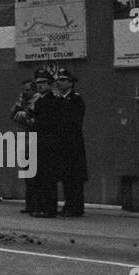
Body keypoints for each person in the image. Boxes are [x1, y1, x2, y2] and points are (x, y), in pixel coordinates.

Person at [25, 67, 62, 217]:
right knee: (40, 177)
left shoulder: (52, 101)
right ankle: (41, 207)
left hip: (48, 143)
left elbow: (48, 122)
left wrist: (34, 121)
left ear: (49, 84)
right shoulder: (40, 100)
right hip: (40, 142)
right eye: (38, 82)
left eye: (43, 82)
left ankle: (48, 208)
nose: (40, 85)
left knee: (47, 178)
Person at [55, 69, 88, 217]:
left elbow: (73, 121)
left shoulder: (75, 99)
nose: (59, 82)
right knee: (67, 177)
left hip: (73, 144)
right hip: (64, 144)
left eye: (62, 80)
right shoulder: (61, 100)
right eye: (59, 79)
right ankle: (70, 204)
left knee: (74, 177)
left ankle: (76, 207)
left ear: (70, 83)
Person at [9, 79, 37, 213]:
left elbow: (29, 119)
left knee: (34, 176)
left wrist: (21, 114)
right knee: (28, 175)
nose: (24, 93)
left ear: (33, 90)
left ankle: (35, 204)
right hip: (24, 142)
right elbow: (12, 114)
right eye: (23, 90)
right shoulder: (23, 102)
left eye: (27, 90)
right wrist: (20, 106)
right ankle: (30, 204)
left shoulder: (37, 101)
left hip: (33, 142)